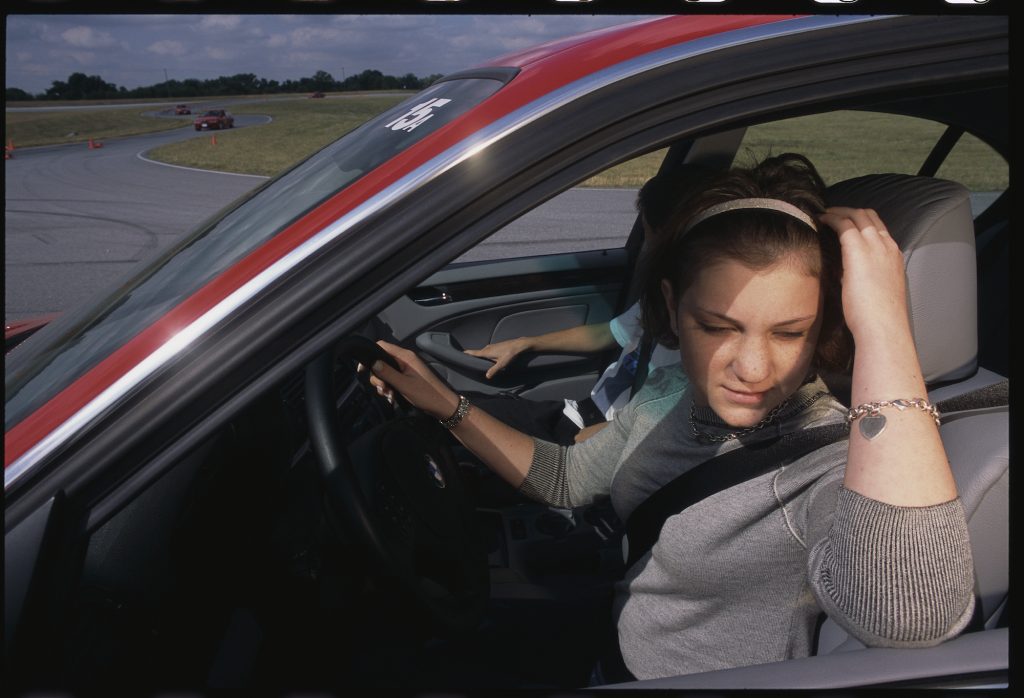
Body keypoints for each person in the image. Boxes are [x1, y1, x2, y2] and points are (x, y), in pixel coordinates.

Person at [368, 153, 975, 681]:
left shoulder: (832, 461)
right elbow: (565, 480)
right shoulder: (669, 391)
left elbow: (911, 618)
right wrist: (445, 404)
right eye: (716, 327)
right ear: (670, 307)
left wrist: (886, 330)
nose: (754, 369)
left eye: (791, 333)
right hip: (615, 647)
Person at [462, 167, 710, 444]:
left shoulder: (707, 339)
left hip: (607, 442)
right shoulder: (662, 299)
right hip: (581, 414)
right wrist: (526, 343)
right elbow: (607, 333)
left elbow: (672, 421)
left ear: (668, 237)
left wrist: (594, 442)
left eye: (649, 236)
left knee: (461, 425)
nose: (646, 247)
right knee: (462, 412)